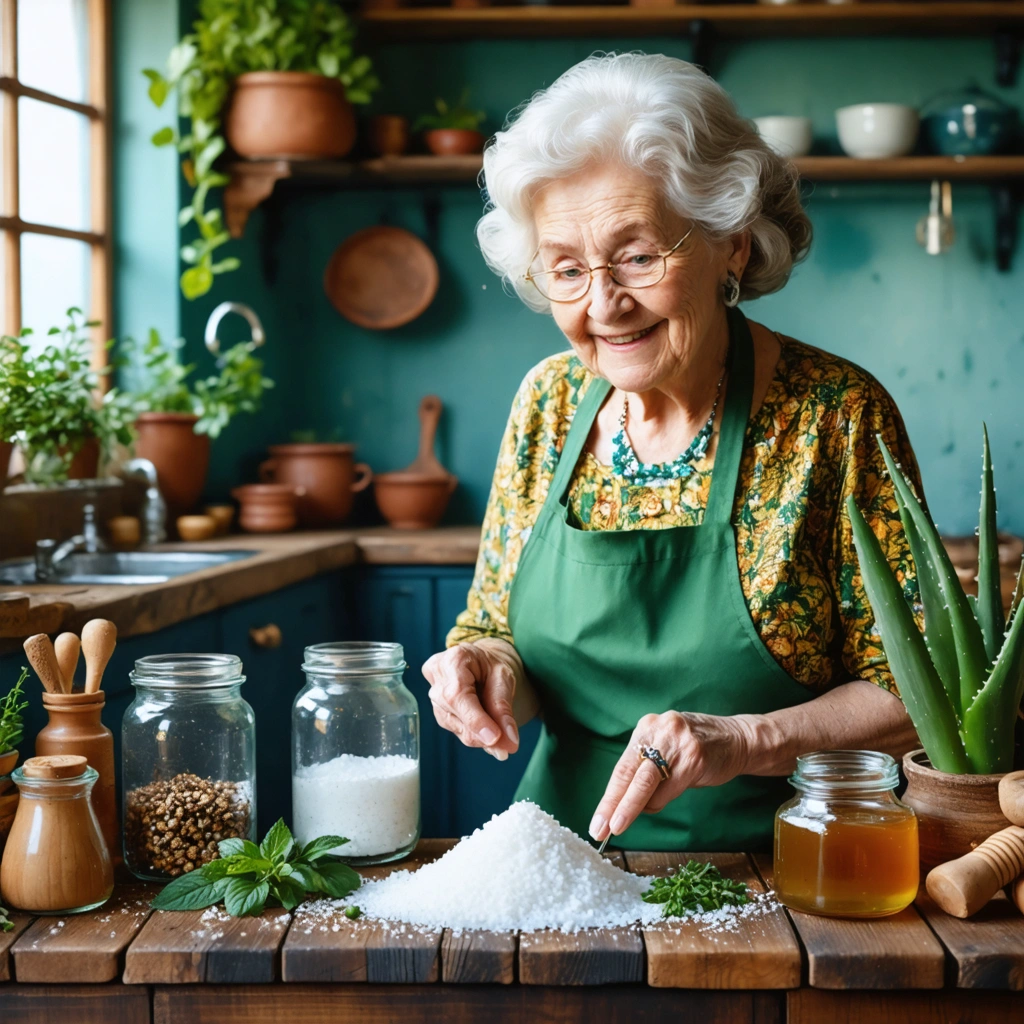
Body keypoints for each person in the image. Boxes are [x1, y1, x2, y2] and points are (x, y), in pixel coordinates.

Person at [423, 52, 921, 851]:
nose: (604, 304)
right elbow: (494, 626)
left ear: (732, 243)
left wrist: (745, 740)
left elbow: (918, 690)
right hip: (561, 862)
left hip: (785, 869)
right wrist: (486, 669)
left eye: (638, 256)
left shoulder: (835, 415)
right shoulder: (548, 403)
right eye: (566, 268)